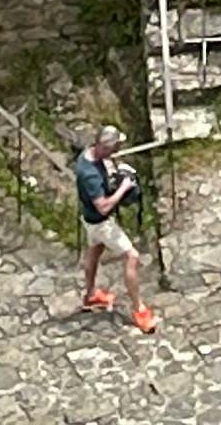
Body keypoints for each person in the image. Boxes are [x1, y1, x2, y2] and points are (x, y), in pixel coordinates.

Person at [73, 128, 152, 327]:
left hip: (88, 219)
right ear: (105, 146)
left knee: (95, 251)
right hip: (101, 223)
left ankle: (90, 295)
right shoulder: (90, 175)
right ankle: (139, 310)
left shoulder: (88, 156)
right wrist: (124, 187)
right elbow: (103, 206)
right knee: (132, 256)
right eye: (115, 148)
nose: (117, 150)